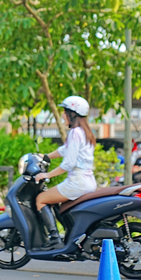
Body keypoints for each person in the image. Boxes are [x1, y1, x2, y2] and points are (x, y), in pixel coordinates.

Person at [34, 96, 97, 249]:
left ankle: (54, 240)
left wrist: (47, 175)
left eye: (65, 112)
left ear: (73, 114)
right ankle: (69, 235)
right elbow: (64, 150)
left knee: (41, 199)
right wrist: (47, 156)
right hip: (88, 181)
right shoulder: (85, 132)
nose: (63, 115)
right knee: (58, 204)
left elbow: (69, 163)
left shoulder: (75, 132)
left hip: (77, 181)